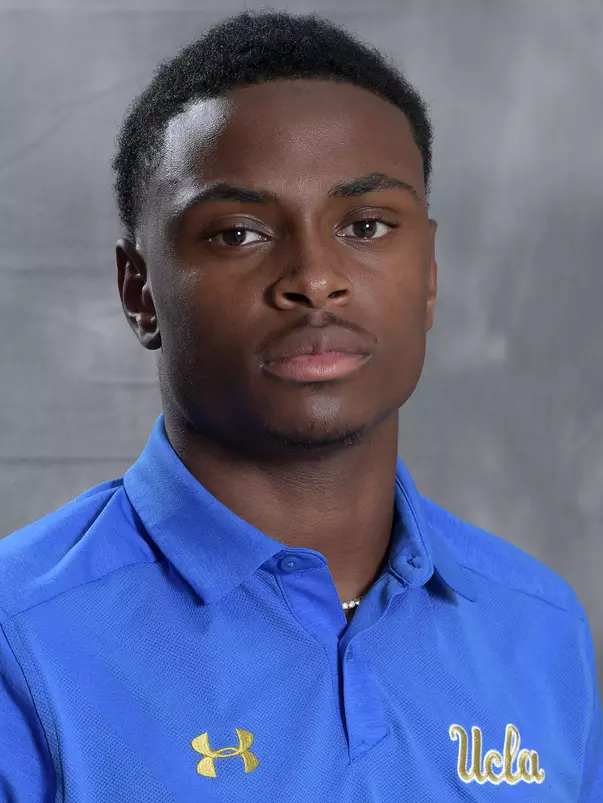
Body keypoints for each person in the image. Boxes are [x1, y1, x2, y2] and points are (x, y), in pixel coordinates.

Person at [0, 9, 600, 801]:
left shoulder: (538, 625)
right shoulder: (20, 639)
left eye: (366, 224)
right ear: (139, 291)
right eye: (237, 233)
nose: (315, 278)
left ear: (427, 276)